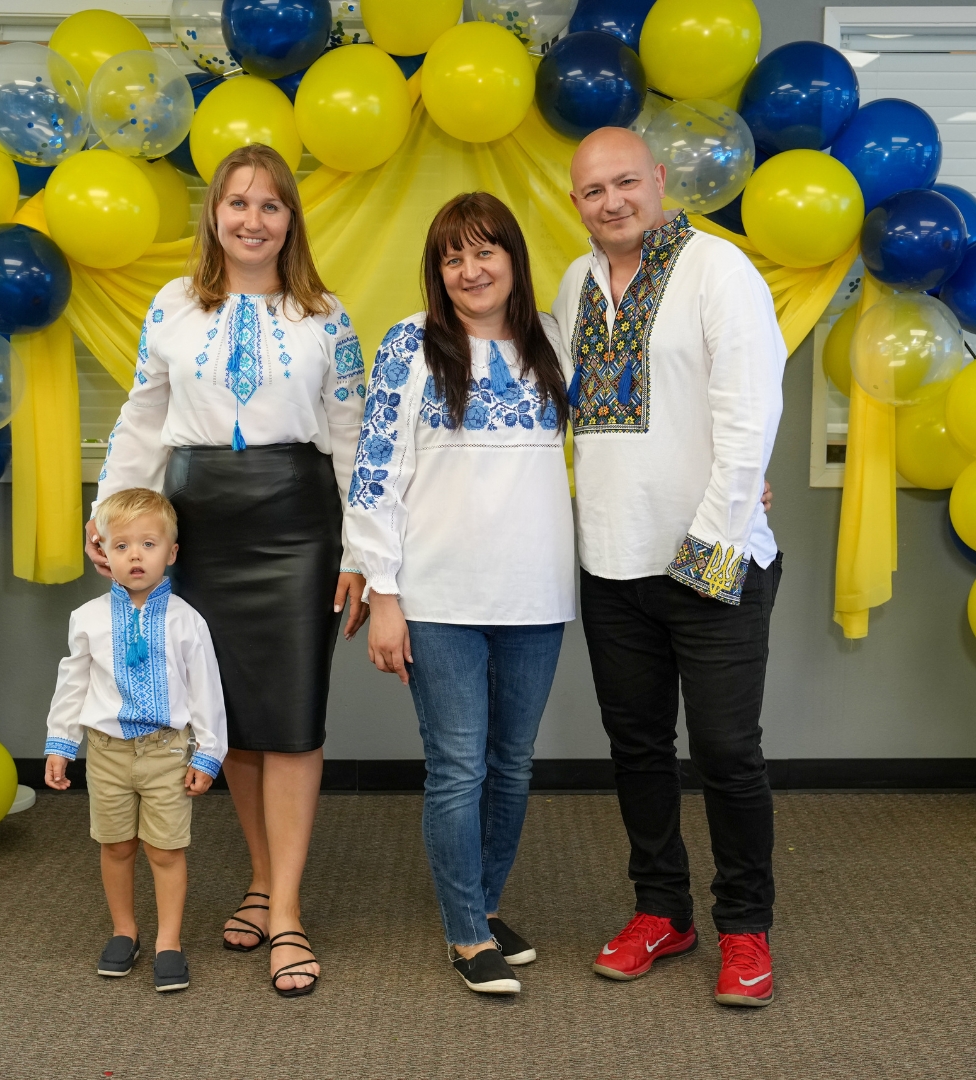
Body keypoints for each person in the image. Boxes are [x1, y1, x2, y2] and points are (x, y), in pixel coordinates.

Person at [86, 144, 368, 998]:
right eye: (237, 203)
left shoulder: (328, 315)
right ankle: (257, 877)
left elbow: (354, 440)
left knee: (290, 720)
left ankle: (286, 911)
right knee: (229, 718)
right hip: (199, 524)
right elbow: (143, 419)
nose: (252, 219)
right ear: (214, 214)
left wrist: (363, 552)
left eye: (270, 205)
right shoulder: (172, 306)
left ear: (291, 220)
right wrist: (108, 516)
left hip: (295, 524)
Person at [552, 127, 786, 1007]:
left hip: (710, 556)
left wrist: (713, 543)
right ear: (575, 203)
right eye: (591, 191)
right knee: (639, 747)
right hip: (612, 561)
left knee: (728, 751)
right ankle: (662, 910)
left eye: (625, 183)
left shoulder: (718, 270)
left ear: (658, 179)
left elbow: (749, 414)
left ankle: (746, 927)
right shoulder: (575, 285)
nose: (611, 202)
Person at [346, 192, 575, 995]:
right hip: (437, 594)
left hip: (537, 593)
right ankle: (465, 933)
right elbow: (373, 470)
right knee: (457, 768)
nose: (471, 270)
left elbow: (632, 430)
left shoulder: (555, 339)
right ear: (437, 271)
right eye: (453, 257)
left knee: (511, 766)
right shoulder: (411, 344)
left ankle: (481, 904)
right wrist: (384, 592)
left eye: (485, 252)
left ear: (513, 258)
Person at [45, 488, 227, 993]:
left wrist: (210, 754)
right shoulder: (88, 619)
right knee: (117, 845)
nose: (135, 555)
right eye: (121, 545)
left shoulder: (187, 621)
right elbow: (73, 684)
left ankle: (170, 940)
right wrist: (61, 744)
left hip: (168, 751)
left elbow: (206, 689)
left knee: (165, 850)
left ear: (171, 552)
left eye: (148, 544)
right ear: (103, 551)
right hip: (106, 754)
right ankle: (125, 930)